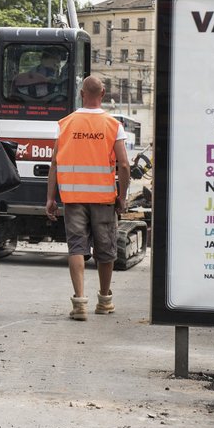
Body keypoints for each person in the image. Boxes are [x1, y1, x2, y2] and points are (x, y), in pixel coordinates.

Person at [45, 76, 130, 321]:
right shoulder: (114, 125)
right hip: (103, 198)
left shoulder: (65, 124)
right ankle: (104, 301)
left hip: (73, 198)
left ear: (81, 93)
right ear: (103, 93)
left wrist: (51, 198)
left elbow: (54, 163)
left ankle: (79, 302)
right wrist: (122, 197)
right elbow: (123, 165)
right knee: (106, 249)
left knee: (76, 248)